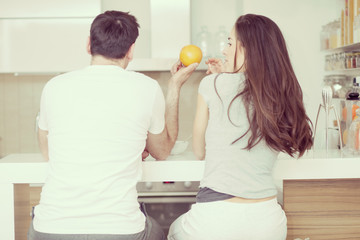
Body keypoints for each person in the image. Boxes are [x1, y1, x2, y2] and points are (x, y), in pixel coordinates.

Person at [28, 11, 198, 240]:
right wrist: (175, 85)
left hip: (50, 228)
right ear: (131, 50)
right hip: (120, 230)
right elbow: (163, 150)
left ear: (88, 45)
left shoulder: (54, 86)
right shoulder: (146, 88)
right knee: (158, 231)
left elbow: (48, 152)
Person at [168, 14, 313, 240]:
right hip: (269, 225)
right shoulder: (281, 91)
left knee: (172, 230)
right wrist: (226, 77)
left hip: (213, 222)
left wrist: (218, 81)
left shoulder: (211, 84)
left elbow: (199, 151)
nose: (224, 50)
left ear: (246, 48)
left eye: (229, 42)